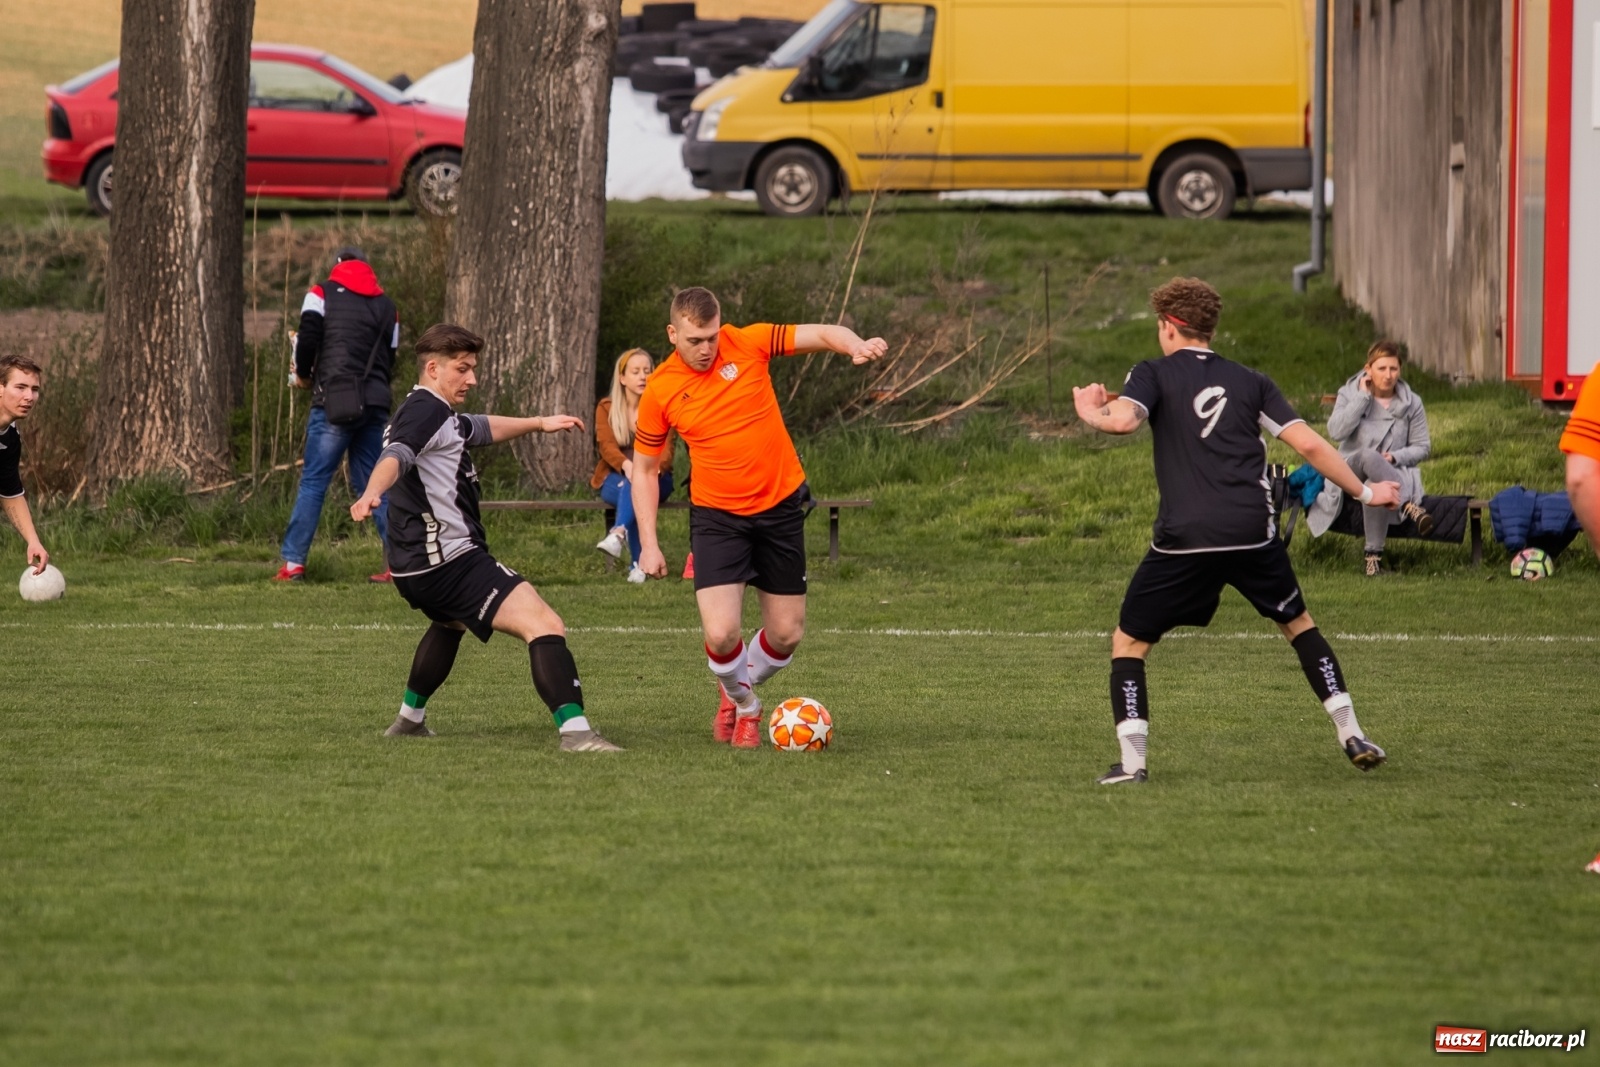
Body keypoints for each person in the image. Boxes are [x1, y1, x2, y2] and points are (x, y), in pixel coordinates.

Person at [1072, 277, 1400, 785]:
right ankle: (1352, 734)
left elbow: (1122, 422)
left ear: (1170, 327)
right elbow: (1310, 446)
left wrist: (1090, 409)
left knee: (1129, 643)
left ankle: (1133, 765)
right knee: (1300, 626)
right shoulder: (1252, 380)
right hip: (1252, 532)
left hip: (1186, 537)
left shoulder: (1152, 373)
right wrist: (1365, 493)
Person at [630, 287, 887, 748]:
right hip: (717, 518)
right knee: (722, 631)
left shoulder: (748, 341)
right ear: (673, 334)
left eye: (711, 336)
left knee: (787, 633)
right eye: (694, 340)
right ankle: (746, 706)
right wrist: (648, 543)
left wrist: (854, 344)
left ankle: (732, 688)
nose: (706, 348)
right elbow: (645, 470)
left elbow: (823, 332)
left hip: (780, 508)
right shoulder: (661, 389)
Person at [350, 324, 622, 752]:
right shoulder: (424, 414)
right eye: (463, 369)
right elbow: (396, 456)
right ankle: (577, 733)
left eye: (474, 368)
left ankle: (409, 721)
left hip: (413, 567)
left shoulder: (429, 411)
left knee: (449, 622)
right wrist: (371, 492)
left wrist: (538, 423)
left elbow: (476, 428)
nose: (472, 379)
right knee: (545, 624)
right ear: (434, 368)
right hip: (450, 562)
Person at [276, 247, 399, 584]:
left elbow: (309, 337)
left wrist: (303, 374)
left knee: (314, 482)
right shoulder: (388, 307)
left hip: (334, 402)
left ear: (338, 267)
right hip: (374, 403)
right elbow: (392, 356)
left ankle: (293, 564)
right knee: (377, 487)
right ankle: (399, 565)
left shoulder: (320, 293)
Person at [1323, 340, 1434, 575]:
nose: (1388, 375)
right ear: (1368, 369)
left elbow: (1423, 447)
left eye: (1394, 369)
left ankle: (1372, 561)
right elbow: (1335, 432)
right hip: (1348, 470)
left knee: (1376, 485)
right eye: (1382, 368)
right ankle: (1408, 505)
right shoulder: (1349, 393)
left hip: (1388, 476)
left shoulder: (1412, 403)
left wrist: (1394, 457)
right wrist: (1361, 399)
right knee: (1367, 455)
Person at [592, 348, 675, 583]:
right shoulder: (606, 407)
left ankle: (619, 535)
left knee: (639, 483)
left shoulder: (661, 405)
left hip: (657, 476)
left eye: (647, 371)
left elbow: (667, 449)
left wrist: (652, 470)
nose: (643, 377)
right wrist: (627, 466)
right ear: (622, 378)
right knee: (633, 483)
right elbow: (606, 447)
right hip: (614, 476)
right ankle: (638, 565)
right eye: (636, 371)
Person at [0, 355, 50, 575]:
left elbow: (10, 493)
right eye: (20, 387)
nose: (29, 396)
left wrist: (33, 540)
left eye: (34, 389)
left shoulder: (10, 439)